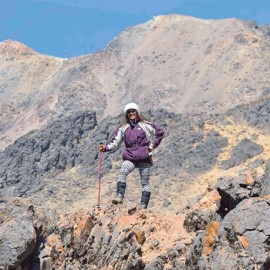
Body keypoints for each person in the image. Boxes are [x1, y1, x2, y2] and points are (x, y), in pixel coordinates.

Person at [98, 102, 165, 209]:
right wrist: (105, 148)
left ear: (137, 112)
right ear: (126, 114)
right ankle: (119, 196)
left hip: (144, 157)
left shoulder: (145, 125)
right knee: (122, 172)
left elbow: (160, 133)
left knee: (145, 182)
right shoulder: (123, 127)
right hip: (130, 157)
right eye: (129, 112)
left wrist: (152, 145)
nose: (131, 113)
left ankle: (143, 206)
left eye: (133, 111)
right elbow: (115, 142)